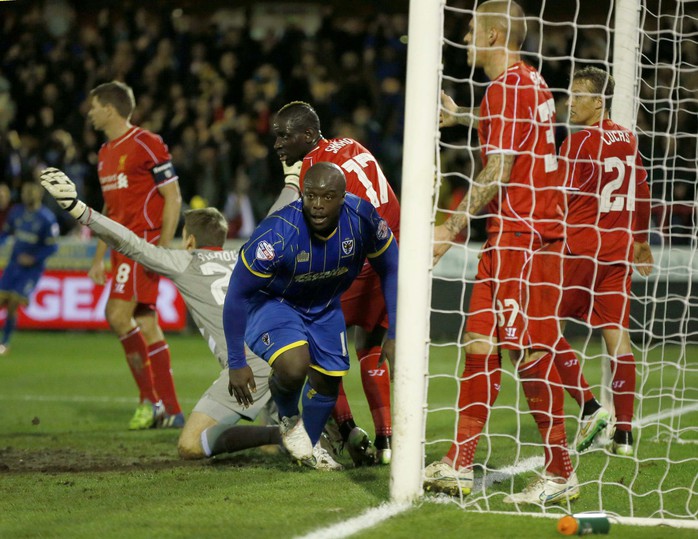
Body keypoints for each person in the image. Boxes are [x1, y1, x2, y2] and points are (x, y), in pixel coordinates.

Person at [39, 167, 345, 469]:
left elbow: (130, 243)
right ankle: (317, 427)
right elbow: (277, 213)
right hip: (282, 353)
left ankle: (290, 433)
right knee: (265, 449)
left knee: (191, 444)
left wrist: (78, 209)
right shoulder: (246, 252)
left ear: (188, 241)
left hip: (248, 368)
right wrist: (291, 179)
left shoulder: (185, 261)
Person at [425, 0, 578, 505]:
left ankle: (560, 471)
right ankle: (459, 464)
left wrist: (449, 227)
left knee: (529, 354)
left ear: (493, 36)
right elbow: (513, 132)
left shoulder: (507, 86)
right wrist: (463, 115)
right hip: (510, 235)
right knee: (479, 344)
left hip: (524, 235)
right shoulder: (524, 82)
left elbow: (500, 169)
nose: (465, 39)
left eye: (471, 32)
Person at [223, 162, 398, 469]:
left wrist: (395, 332)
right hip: (274, 302)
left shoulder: (363, 219)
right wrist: (236, 362)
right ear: (302, 195)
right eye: (311, 196)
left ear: (343, 197)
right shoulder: (277, 234)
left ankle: (310, 443)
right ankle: (288, 415)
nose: (317, 205)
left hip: (325, 304)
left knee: (329, 383)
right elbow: (237, 293)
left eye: (328, 196)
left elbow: (392, 267)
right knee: (294, 366)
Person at [269, 101, 400, 466]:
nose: (278, 144)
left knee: (310, 342)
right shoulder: (350, 144)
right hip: (392, 250)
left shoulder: (314, 166)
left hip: (361, 260)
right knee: (370, 345)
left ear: (308, 136)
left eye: (284, 136)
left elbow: (310, 222)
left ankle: (345, 431)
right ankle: (388, 439)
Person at [555, 66, 653, 457]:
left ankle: (591, 407)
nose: (570, 102)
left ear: (599, 102)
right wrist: (641, 241)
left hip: (578, 249)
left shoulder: (577, 143)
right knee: (618, 338)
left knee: (540, 328)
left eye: (578, 95)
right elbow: (643, 193)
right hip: (616, 253)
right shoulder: (628, 140)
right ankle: (625, 434)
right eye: (570, 94)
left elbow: (558, 201)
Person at [86, 81, 184, 430]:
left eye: (94, 106)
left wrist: (163, 247)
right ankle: (171, 409)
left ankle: (149, 401)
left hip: (142, 242)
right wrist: (99, 258)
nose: (90, 111)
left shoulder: (146, 142)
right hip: (120, 246)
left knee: (116, 314)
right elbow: (109, 211)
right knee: (145, 322)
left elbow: (172, 196)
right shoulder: (104, 154)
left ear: (110, 109)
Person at [0, 181, 58, 355]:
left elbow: (53, 247)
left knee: (14, 303)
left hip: (31, 270)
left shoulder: (46, 218)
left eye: (31, 193)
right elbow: (6, 233)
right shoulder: (16, 213)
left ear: (38, 195)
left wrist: (34, 258)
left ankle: (5, 342)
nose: (27, 196)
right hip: (13, 265)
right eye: (25, 192)